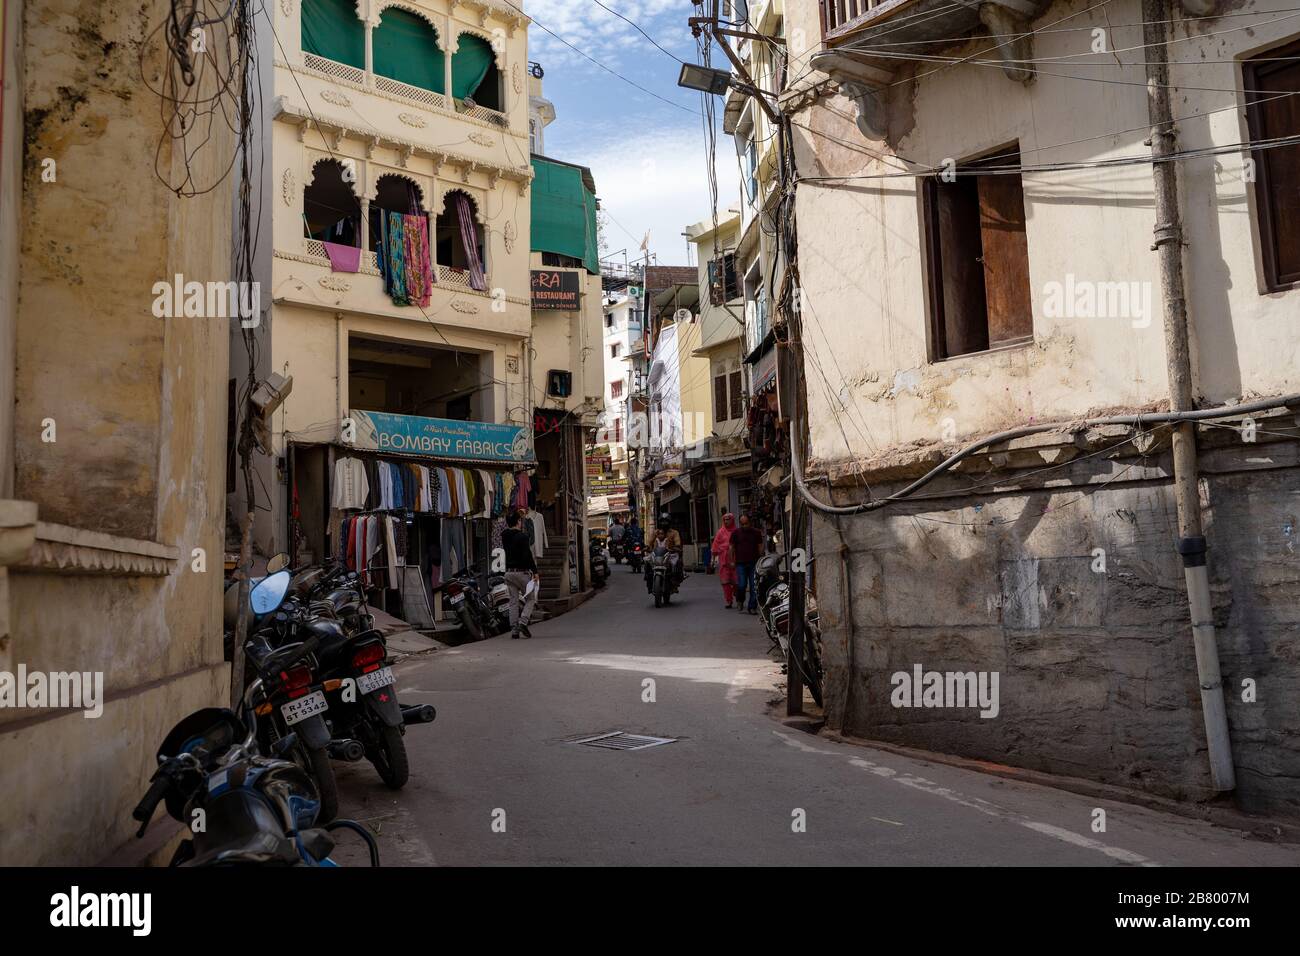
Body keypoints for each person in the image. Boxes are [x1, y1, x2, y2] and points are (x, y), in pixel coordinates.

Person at [501, 510, 539, 639]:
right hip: (521, 573)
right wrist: (535, 572)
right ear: (518, 521)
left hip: (509, 574)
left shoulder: (504, 536)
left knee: (513, 601)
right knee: (531, 598)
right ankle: (523, 621)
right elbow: (528, 556)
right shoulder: (523, 537)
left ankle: (514, 630)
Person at [730, 513, 764, 614]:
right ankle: (740, 600)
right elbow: (731, 547)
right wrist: (732, 561)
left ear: (750, 522)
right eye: (742, 524)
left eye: (746, 523)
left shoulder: (756, 532)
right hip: (740, 563)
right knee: (742, 584)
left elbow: (760, 546)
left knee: (754, 586)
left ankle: (752, 607)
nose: (745, 526)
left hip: (754, 562)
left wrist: (761, 557)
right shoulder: (736, 533)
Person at [710, 513, 738, 608]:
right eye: (725, 520)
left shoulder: (736, 531)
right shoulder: (720, 532)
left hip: (735, 559)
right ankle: (728, 600)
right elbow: (715, 546)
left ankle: (737, 597)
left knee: (736, 581)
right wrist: (713, 560)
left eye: (728, 519)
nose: (726, 521)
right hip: (723, 559)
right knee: (725, 582)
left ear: (732, 520)